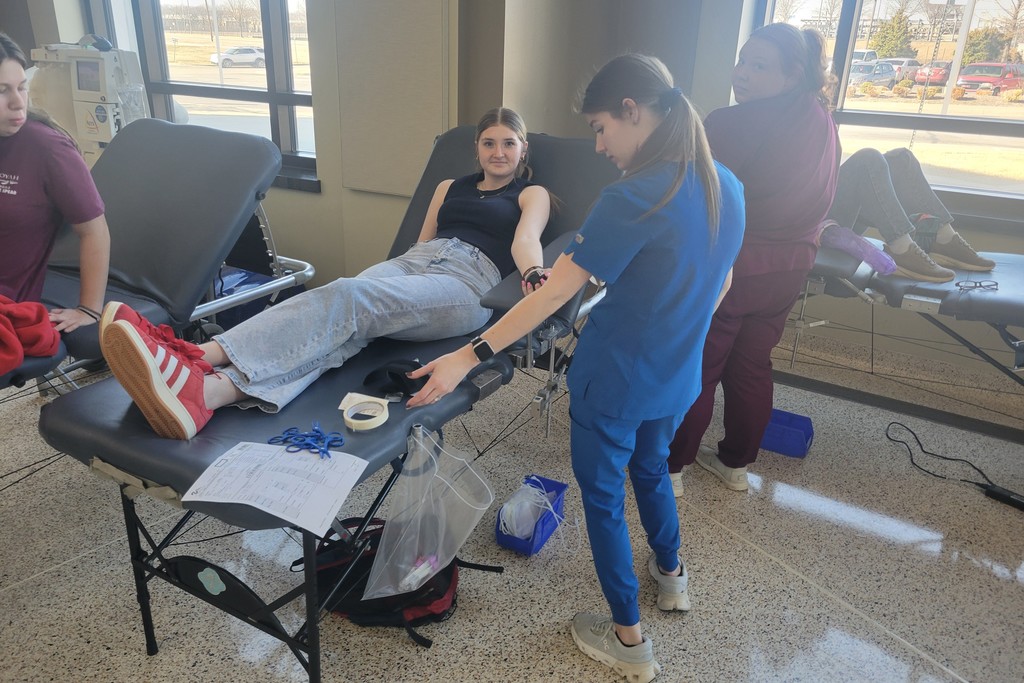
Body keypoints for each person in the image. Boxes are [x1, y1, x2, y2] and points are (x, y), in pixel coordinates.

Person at [407, 55, 744, 683]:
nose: (598, 145)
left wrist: (467, 355)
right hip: (676, 374)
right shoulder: (725, 180)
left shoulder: (635, 194)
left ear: (631, 112)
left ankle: (629, 641)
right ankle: (671, 580)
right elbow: (721, 279)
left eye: (600, 128)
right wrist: (680, 328)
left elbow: (552, 294)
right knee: (653, 471)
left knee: (604, 499)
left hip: (613, 379)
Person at [98, 107, 552, 440]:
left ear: (522, 148)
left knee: (348, 296)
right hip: (416, 264)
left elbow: (524, 241)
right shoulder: (449, 187)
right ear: (477, 148)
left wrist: (533, 272)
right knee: (344, 328)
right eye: (489, 142)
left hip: (467, 282)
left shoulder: (531, 193)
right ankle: (211, 395)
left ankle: (196, 357)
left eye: (508, 143)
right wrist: (400, 279)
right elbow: (421, 241)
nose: (498, 151)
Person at [666, 23, 840, 494]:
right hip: (790, 269)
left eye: (758, 66)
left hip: (735, 269)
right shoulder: (822, 119)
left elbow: (695, 199)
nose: (742, 73)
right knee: (752, 364)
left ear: (793, 74)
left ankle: (673, 470)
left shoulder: (731, 122)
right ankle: (736, 465)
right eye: (742, 61)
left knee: (701, 364)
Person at [0, 32, 110, 334]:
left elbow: (93, 229)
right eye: (2, 91)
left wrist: (89, 309)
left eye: (22, 88)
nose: (17, 103)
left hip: (9, 302)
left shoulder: (46, 146)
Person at [824, 146, 994, 283]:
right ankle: (901, 248)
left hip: (823, 200)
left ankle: (943, 238)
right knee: (868, 159)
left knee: (901, 159)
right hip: (817, 223)